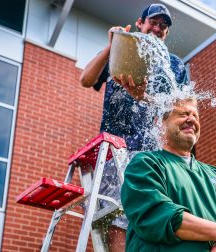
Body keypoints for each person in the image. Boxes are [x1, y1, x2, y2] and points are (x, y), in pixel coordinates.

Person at [79, 3, 188, 251]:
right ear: (140, 23)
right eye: (153, 22)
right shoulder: (122, 49)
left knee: (154, 217)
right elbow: (86, 79)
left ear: (167, 33)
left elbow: (179, 108)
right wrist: (112, 44)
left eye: (163, 25)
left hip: (153, 152)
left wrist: (145, 99)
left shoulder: (174, 65)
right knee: (116, 215)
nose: (158, 28)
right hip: (115, 150)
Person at [121, 98, 216, 251]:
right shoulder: (146, 163)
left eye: (195, 116)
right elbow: (156, 213)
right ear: (161, 123)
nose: (192, 120)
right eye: (183, 114)